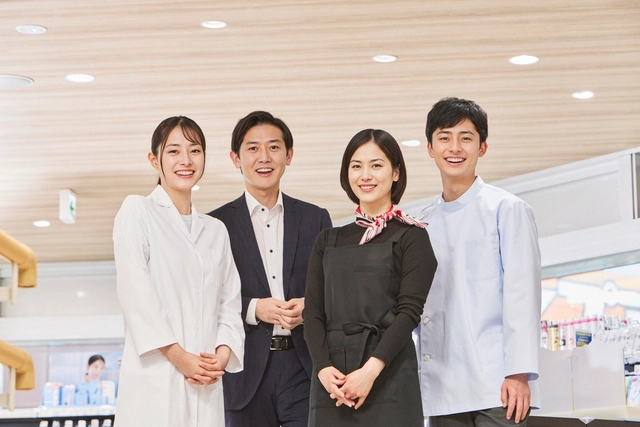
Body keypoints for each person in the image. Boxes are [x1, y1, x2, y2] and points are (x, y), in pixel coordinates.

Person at [113, 116, 245, 427]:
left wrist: (222, 355)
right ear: (154, 159)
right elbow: (136, 295)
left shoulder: (215, 230)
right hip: (157, 379)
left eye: (195, 150)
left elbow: (229, 303)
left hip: (205, 380)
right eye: (173, 151)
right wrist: (179, 357)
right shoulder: (137, 211)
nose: (185, 160)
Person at [418, 97, 541, 426]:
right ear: (430, 148)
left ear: (482, 147)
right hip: (442, 387)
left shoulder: (507, 209)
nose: (454, 147)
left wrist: (518, 373)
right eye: (444, 137)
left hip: (497, 385)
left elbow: (522, 294)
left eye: (466, 138)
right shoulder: (422, 224)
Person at [303, 129, 437, 426]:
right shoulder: (327, 240)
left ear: (396, 172)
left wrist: (370, 371)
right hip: (332, 382)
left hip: (389, 372)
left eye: (376, 165)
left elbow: (409, 313)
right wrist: (323, 369)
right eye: (356, 166)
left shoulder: (412, 236)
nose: (365, 175)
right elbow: (312, 314)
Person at [208, 111, 332, 427]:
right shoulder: (215, 225)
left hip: (304, 369)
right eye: (253, 148)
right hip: (244, 372)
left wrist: (310, 306)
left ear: (288, 155)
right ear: (236, 158)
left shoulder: (315, 218)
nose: (264, 157)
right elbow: (206, 299)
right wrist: (254, 309)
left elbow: (334, 290)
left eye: (274, 147)